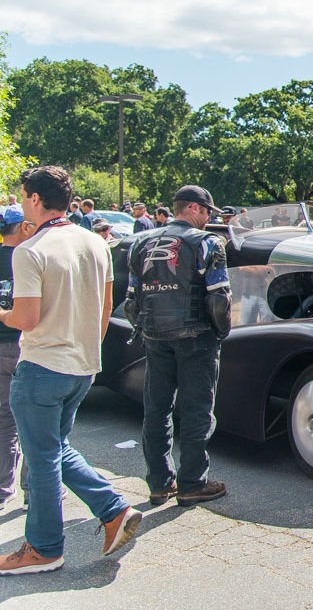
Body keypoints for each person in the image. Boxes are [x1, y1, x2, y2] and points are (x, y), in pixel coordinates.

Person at [0, 166, 141, 575]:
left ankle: (44, 548)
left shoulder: (31, 250)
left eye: (23, 194)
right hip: (82, 364)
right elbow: (105, 306)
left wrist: (2, 313)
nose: (21, 201)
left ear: (34, 199)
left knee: (42, 457)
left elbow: (26, 318)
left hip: (43, 364)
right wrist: (88, 352)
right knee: (54, 448)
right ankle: (113, 510)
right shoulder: (95, 243)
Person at [125, 185, 232, 509]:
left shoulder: (140, 243)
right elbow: (219, 299)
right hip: (197, 338)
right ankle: (192, 484)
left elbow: (132, 302)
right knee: (197, 410)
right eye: (207, 214)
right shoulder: (208, 243)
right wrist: (221, 333)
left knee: (156, 410)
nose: (208, 220)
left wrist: (144, 329)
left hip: (155, 337)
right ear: (196, 209)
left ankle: (159, 484)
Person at [0, 206, 35, 511]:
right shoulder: (33, 257)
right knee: (34, 422)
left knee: (5, 420)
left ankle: (3, 487)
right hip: (26, 345)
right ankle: (31, 489)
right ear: (22, 228)